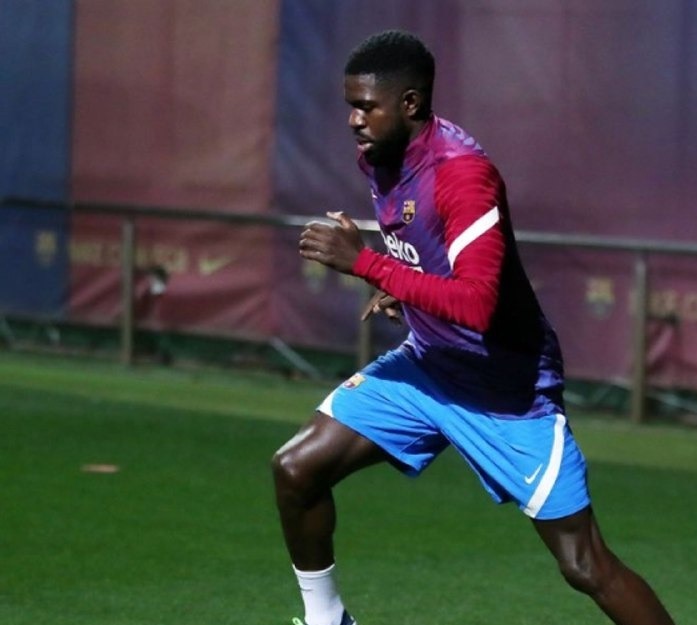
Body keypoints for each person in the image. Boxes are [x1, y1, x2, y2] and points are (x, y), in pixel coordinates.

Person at [272, 29, 676, 625]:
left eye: (366, 106)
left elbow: (476, 305)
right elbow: (427, 252)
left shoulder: (462, 174)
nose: (354, 120)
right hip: (430, 369)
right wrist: (397, 281)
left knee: (584, 564)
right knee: (295, 467)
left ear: (409, 104)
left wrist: (363, 263)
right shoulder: (380, 158)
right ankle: (325, 621)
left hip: (506, 392)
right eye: (349, 106)